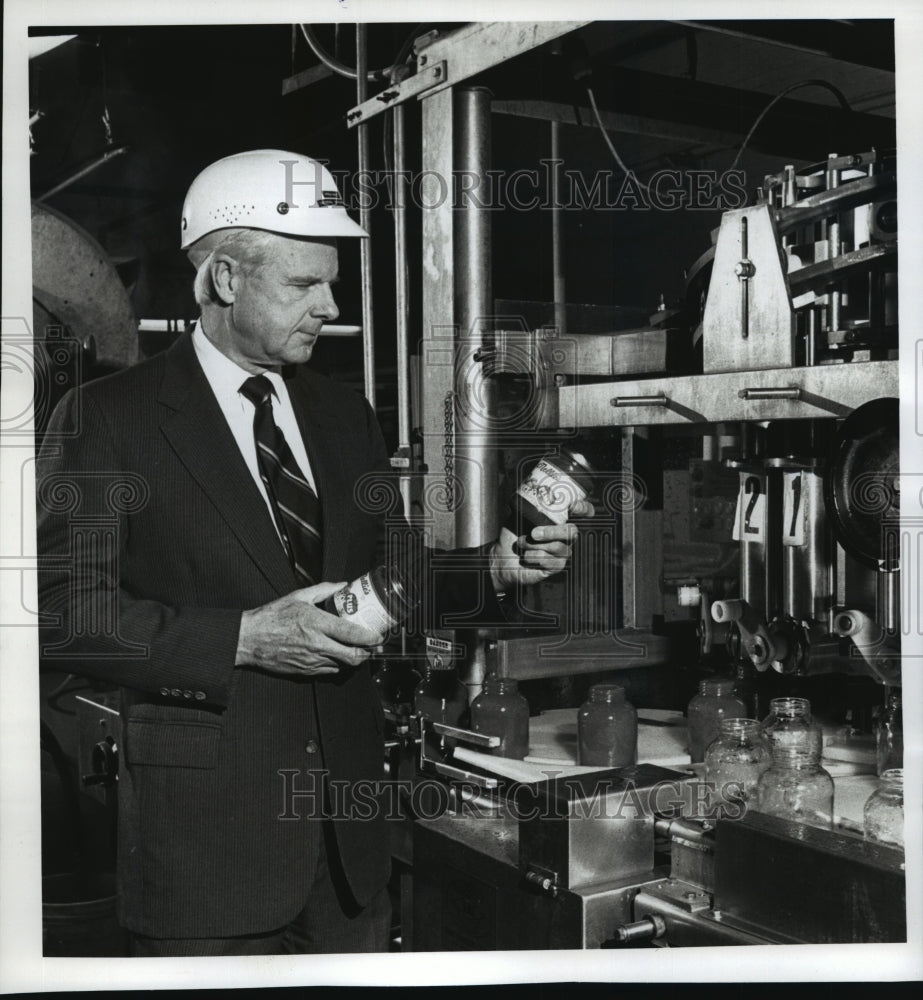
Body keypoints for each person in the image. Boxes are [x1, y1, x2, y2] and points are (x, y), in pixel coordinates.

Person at [36, 149, 590, 956]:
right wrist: (243, 637)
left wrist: (497, 568)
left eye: (330, 282)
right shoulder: (106, 418)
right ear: (224, 279)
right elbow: (57, 614)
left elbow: (391, 586)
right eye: (303, 284)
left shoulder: (341, 416)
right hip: (207, 859)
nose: (329, 305)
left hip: (348, 853)